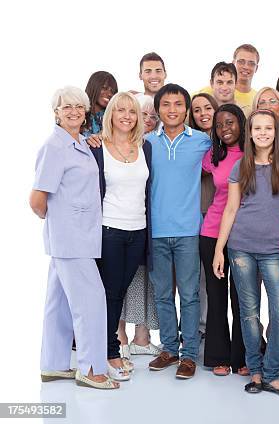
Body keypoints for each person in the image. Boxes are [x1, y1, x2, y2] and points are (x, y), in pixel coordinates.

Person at [30, 86, 117, 389]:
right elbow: (37, 199)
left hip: (77, 236)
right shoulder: (55, 146)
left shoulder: (78, 141)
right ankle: (92, 369)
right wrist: (60, 222)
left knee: (60, 304)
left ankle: (53, 365)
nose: (73, 112)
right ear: (56, 112)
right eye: (66, 107)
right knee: (91, 300)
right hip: (71, 238)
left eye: (78, 107)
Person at [212, 109, 279, 398]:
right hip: (241, 248)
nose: (263, 133)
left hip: (275, 249)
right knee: (248, 314)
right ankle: (256, 372)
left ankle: (272, 373)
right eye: (257, 128)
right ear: (250, 133)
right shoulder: (241, 167)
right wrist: (218, 251)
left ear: (276, 133)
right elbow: (231, 209)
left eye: (269, 128)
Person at [145, 83, 212, 379]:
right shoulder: (145, 142)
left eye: (178, 104)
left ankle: (189, 355)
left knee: (189, 294)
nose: (172, 110)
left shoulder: (202, 141)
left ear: (187, 109)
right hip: (155, 230)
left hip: (188, 231)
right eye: (166, 104)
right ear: (158, 109)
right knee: (162, 294)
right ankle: (169, 348)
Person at [90, 92, 149, 381]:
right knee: (110, 293)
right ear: (110, 114)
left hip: (137, 231)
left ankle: (106, 348)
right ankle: (110, 352)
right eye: (120, 110)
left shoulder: (144, 147)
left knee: (119, 291)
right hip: (109, 229)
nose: (126, 115)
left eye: (132, 111)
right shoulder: (97, 147)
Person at [200, 104, 248, 376]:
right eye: (219, 125)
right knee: (216, 297)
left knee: (242, 297)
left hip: (242, 236)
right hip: (212, 232)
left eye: (230, 123)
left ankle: (242, 356)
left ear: (241, 124)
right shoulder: (212, 157)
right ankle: (218, 355)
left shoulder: (252, 154)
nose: (225, 129)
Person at [116, 94, 161, 359]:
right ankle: (119, 336)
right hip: (121, 221)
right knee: (120, 280)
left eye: (152, 116)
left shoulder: (150, 145)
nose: (147, 119)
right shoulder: (118, 144)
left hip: (147, 221)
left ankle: (142, 338)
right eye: (142, 114)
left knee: (145, 280)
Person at [189, 93, 219, 338]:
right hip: (198, 210)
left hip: (225, 212)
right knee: (200, 276)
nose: (203, 114)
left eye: (207, 108)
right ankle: (201, 327)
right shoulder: (191, 140)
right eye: (197, 110)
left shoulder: (226, 139)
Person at [195, 44, 260, 112]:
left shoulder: (258, 98)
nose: (245, 67)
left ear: (256, 68)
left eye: (251, 63)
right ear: (233, 63)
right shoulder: (208, 92)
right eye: (241, 62)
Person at [83, 71, 118, 137]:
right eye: (104, 88)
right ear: (93, 87)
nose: (109, 94)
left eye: (112, 91)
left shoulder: (114, 117)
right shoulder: (78, 113)